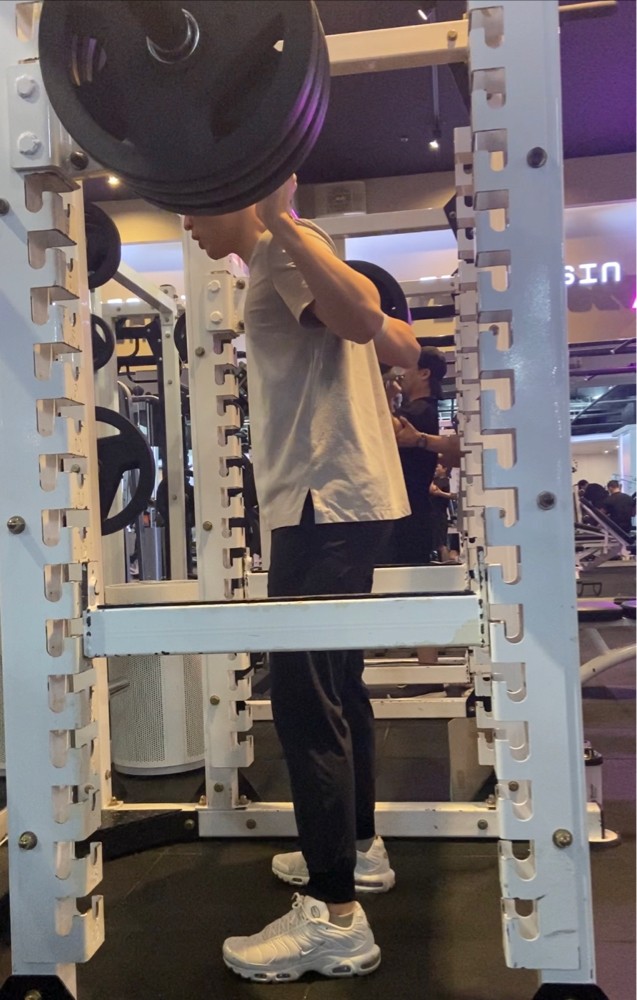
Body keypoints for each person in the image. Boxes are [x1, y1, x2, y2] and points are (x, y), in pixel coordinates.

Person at [183, 176, 420, 983]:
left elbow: (363, 321)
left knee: (303, 697)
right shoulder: (292, 258)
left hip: (324, 502)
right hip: (344, 501)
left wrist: (281, 221)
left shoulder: (286, 253)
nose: (185, 218)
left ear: (238, 191)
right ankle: (357, 848)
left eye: (193, 198)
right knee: (335, 684)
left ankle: (333, 916)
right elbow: (400, 346)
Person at [388, 347, 448, 565]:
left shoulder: (421, 410)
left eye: (407, 366)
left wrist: (385, 394)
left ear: (424, 373)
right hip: (414, 511)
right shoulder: (426, 409)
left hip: (407, 515)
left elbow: (382, 429)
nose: (401, 373)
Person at [430, 460, 458, 563]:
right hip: (432, 515)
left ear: (444, 469)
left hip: (439, 515)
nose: (435, 469)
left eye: (438, 467)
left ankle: (445, 563)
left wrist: (439, 493)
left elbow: (453, 495)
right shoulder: (435, 480)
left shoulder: (446, 481)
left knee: (441, 543)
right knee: (435, 543)